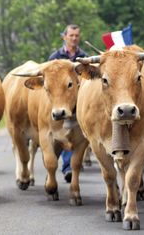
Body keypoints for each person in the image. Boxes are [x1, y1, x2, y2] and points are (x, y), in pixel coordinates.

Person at [48, 24, 87, 182]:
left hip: (78, 103)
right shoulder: (55, 57)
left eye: (76, 35)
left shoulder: (83, 57)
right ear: (64, 37)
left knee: (77, 134)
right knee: (62, 134)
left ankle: (71, 166)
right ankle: (65, 166)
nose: (74, 38)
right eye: (71, 35)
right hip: (60, 103)